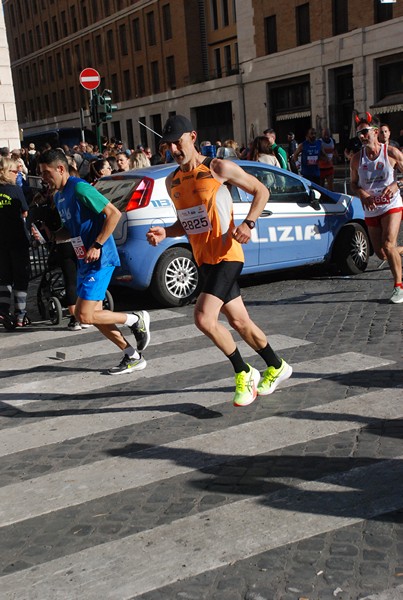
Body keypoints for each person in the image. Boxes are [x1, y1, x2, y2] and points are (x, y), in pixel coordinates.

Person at [146, 115, 292, 407]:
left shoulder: (217, 167)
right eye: (168, 145)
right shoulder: (171, 180)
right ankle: (276, 366)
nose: (174, 149)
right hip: (205, 260)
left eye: (178, 142)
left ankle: (244, 371)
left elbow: (261, 191)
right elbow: (186, 223)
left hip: (228, 254)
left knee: (203, 318)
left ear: (193, 136)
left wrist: (249, 223)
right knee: (239, 321)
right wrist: (165, 231)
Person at [37, 149, 151, 373]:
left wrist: (97, 244)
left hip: (100, 258)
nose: (43, 178)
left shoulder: (79, 187)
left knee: (84, 315)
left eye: (46, 173)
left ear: (61, 169)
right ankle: (133, 356)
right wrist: (50, 235)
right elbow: (70, 230)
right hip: (84, 260)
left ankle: (135, 319)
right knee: (95, 317)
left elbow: (113, 214)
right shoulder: (59, 197)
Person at [350, 115, 403, 304]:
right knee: (381, 253)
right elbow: (354, 184)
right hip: (371, 208)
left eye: (365, 132)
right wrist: (363, 195)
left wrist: (396, 185)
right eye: (359, 134)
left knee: (389, 245)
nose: (362, 136)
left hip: (391, 205)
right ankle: (400, 251)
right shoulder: (356, 159)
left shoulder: (392, 153)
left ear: (374, 132)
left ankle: (398, 286)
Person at [0, 157, 31, 328]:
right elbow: (25, 212)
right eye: (14, 171)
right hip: (17, 239)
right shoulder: (15, 190)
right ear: (6, 172)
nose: (17, 173)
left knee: (4, 277)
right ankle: (20, 315)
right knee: (20, 277)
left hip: (1, 241)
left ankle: (3, 312)